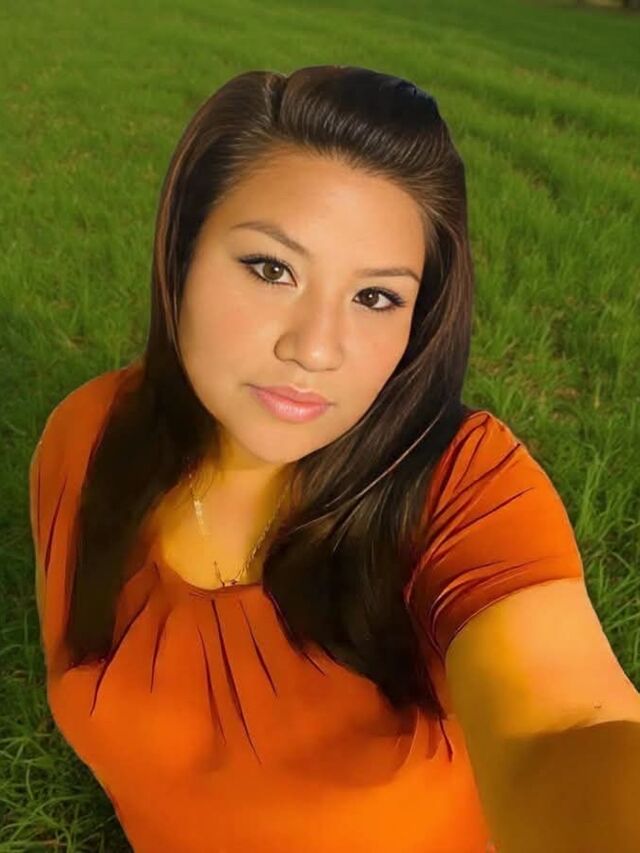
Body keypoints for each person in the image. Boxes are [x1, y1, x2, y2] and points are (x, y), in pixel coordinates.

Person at [29, 65, 583, 852]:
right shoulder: (87, 436)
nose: (316, 349)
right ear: (182, 252)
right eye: (271, 269)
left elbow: (565, 725)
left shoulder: (465, 483)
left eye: (375, 297)